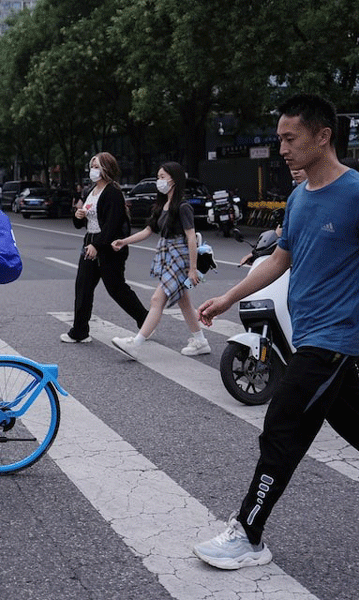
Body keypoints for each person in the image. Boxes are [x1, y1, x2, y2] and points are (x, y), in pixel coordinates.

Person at [193, 94, 359, 570]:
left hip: (334, 339)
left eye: (290, 138)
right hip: (307, 333)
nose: (282, 147)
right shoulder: (299, 196)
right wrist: (229, 298)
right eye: (280, 137)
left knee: (283, 424)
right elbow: (281, 259)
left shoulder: (354, 193)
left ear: (322, 136)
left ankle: (248, 534)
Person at [109, 161, 209, 358]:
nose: (159, 181)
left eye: (163, 177)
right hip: (169, 255)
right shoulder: (162, 205)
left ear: (175, 179)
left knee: (157, 299)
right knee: (184, 301)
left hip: (180, 257)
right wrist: (124, 241)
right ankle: (200, 341)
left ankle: (136, 343)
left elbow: (191, 237)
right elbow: (148, 230)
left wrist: (193, 268)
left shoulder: (183, 207)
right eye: (158, 177)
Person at [61, 152, 148, 343]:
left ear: (106, 169)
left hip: (109, 247)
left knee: (116, 288)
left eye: (97, 166)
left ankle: (146, 321)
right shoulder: (89, 192)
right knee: (83, 287)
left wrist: (97, 245)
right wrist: (78, 216)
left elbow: (112, 225)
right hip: (90, 242)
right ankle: (79, 331)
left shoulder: (113, 193)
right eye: (91, 166)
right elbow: (81, 222)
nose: (93, 170)